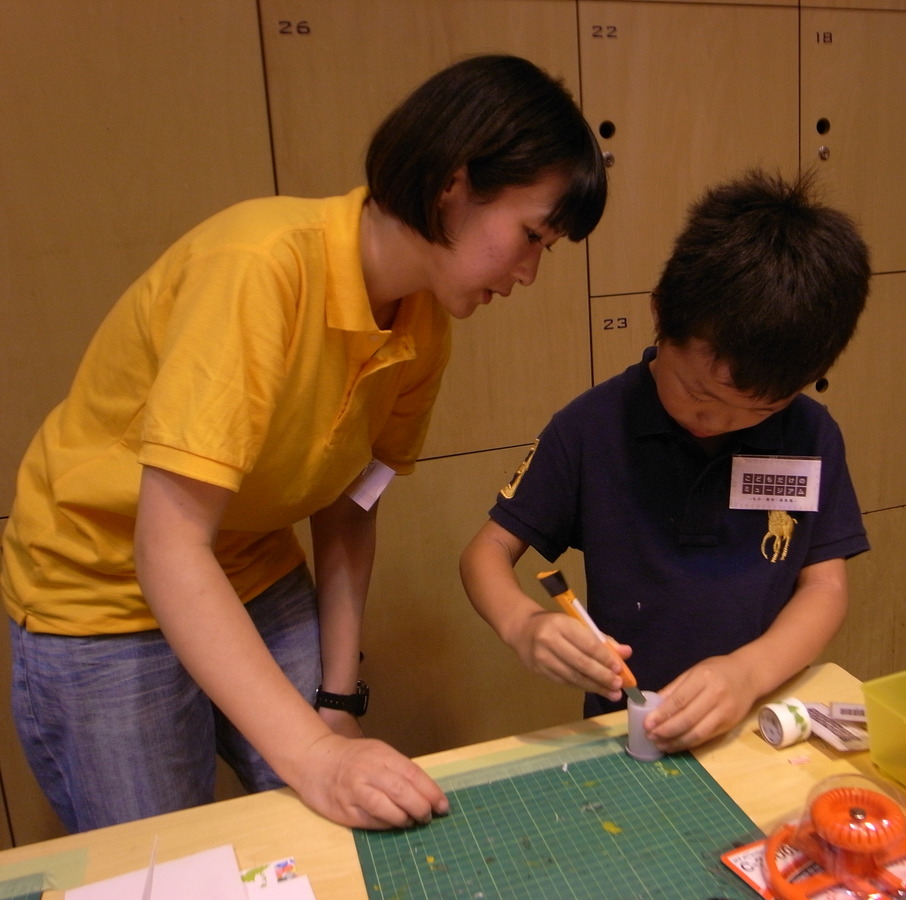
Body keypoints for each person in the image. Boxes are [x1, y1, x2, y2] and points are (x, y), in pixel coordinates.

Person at [1, 53, 606, 833]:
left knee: (336, 812)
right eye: (530, 236)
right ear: (453, 187)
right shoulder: (258, 268)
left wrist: (337, 700)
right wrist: (317, 755)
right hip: (101, 588)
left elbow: (353, 503)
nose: (529, 272)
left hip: (251, 563)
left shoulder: (423, 323)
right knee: (169, 857)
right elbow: (169, 546)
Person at [461, 169, 869, 754]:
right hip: (631, 729)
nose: (717, 422)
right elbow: (486, 554)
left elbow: (825, 585)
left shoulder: (809, 433)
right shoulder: (592, 427)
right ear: (660, 315)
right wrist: (523, 625)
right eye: (699, 393)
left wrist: (748, 673)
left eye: (758, 410)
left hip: (760, 721)